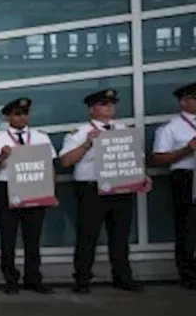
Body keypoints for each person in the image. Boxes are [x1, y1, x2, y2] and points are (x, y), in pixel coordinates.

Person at [59, 89, 146, 294]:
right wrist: (87, 144)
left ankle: (123, 277)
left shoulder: (124, 130)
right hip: (91, 189)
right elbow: (65, 162)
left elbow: (135, 157)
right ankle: (82, 279)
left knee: (120, 236)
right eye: (103, 104)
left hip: (120, 188)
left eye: (111, 104)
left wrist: (143, 175)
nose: (109, 107)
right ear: (91, 109)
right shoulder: (79, 133)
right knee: (87, 236)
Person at [0, 97, 55, 295]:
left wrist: (51, 192)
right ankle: (11, 279)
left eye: (25, 113)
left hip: (34, 187)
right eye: (17, 114)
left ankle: (34, 277)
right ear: (8, 117)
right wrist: (2, 157)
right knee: (8, 238)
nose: (22, 117)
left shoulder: (41, 138)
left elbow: (50, 167)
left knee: (33, 238)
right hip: (7, 189)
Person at [151, 80, 196, 290]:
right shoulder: (171, 128)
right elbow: (158, 159)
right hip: (187, 178)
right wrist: (187, 149)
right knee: (189, 227)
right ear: (184, 102)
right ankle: (188, 274)